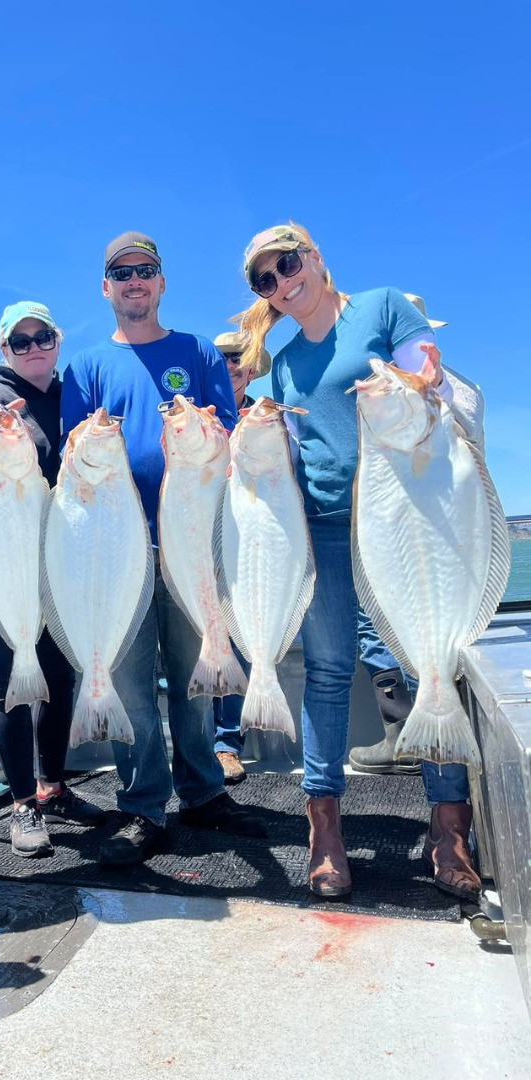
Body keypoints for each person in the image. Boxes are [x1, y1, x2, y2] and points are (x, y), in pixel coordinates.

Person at [236, 223, 480, 902]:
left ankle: (448, 828)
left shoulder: (381, 306)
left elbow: (426, 373)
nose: (284, 283)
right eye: (266, 280)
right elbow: (285, 458)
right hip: (324, 530)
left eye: (289, 265)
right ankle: (325, 830)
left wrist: (421, 378)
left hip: (403, 523)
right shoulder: (282, 367)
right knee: (329, 672)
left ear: (314, 258)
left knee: (421, 662)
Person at [60, 231, 270, 866]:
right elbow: (73, 460)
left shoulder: (199, 351)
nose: (134, 282)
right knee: (127, 683)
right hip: (114, 551)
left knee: (196, 672)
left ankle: (204, 792)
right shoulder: (86, 367)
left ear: (161, 282)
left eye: (145, 271)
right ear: (106, 288)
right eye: (121, 273)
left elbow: (230, 438)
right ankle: (142, 804)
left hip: (195, 543)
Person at [0, 301, 106, 858]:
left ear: (58, 341)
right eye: (21, 341)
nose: (34, 347)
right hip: (3, 571)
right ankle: (21, 804)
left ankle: (54, 786)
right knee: (12, 682)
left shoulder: (76, 400)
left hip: (61, 568)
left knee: (59, 680)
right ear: (3, 349)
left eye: (45, 337)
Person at [349, 293, 485, 776]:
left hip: (442, 546)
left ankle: (448, 786)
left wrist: (435, 387)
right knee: (374, 631)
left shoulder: (448, 388)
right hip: (391, 539)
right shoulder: (375, 393)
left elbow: (464, 416)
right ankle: (399, 734)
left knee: (440, 650)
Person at [209, 331, 270, 785]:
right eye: (224, 358)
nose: (232, 365)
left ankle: (228, 743)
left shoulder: (267, 417)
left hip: (251, 546)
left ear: (253, 369)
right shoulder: (198, 416)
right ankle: (194, 747)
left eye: (240, 359)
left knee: (240, 639)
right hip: (195, 541)